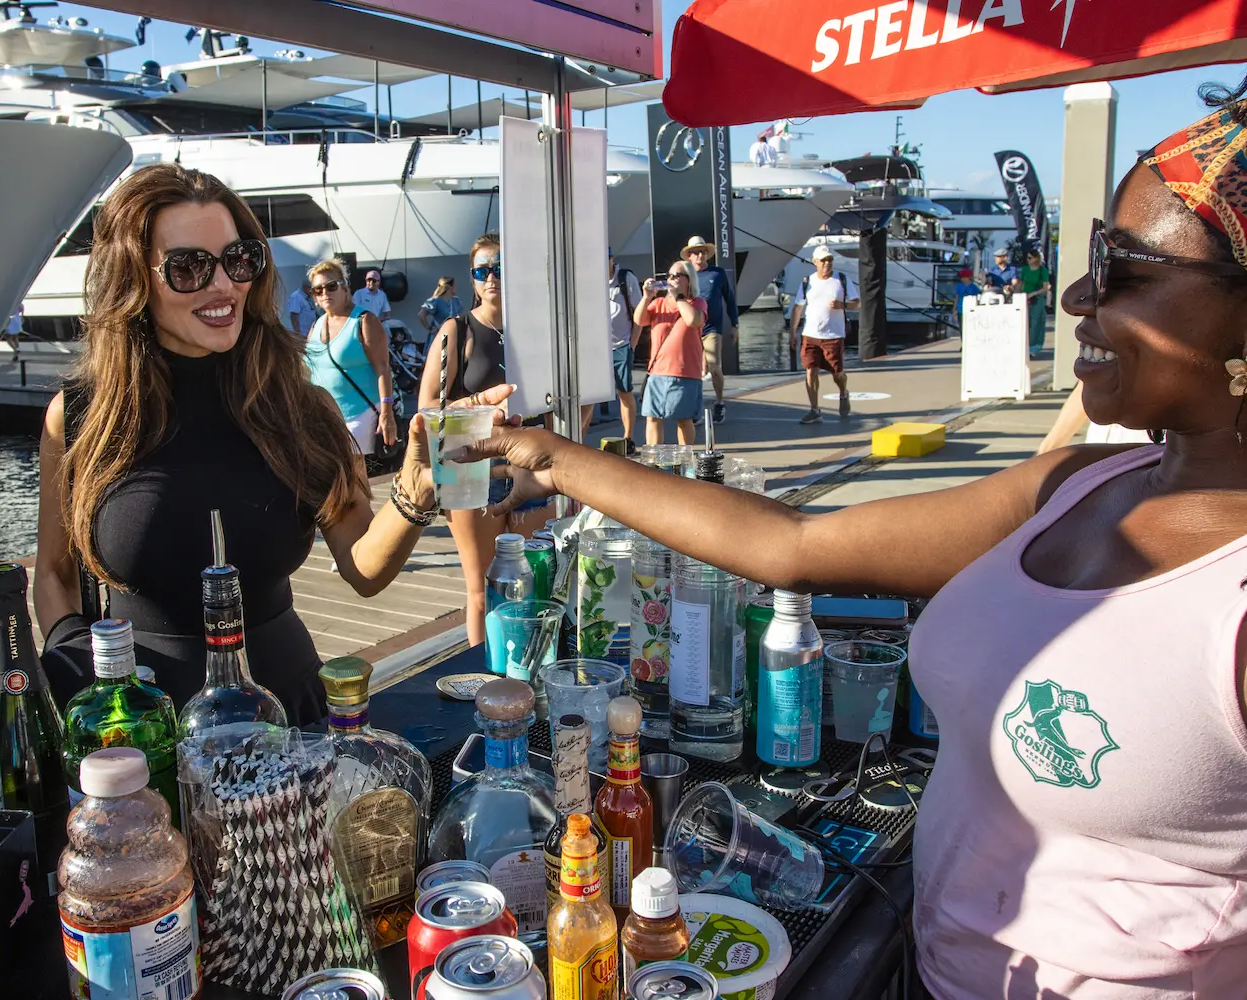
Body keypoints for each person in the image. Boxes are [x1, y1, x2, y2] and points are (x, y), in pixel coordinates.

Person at [457, 94, 1247, 999]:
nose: (1076, 294)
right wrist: (552, 459)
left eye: (1124, 268)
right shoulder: (1075, 483)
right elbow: (793, 545)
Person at [34, 165, 511, 724]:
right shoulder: (84, 415)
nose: (224, 286)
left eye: (239, 260)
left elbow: (364, 569)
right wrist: (76, 675)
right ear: (135, 279)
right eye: (189, 266)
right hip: (140, 733)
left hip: (289, 721)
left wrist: (418, 485)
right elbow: (56, 573)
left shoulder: (299, 408)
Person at [417, 232, 549, 647]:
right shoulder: (456, 330)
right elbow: (427, 405)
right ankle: (480, 684)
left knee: (530, 587)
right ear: (472, 279)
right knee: (481, 592)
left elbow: (566, 396)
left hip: (530, 461)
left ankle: (522, 679)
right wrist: (480, 405)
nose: (492, 277)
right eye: (482, 270)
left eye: (500, 268)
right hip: (470, 466)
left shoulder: (538, 330)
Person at [303, 258, 398, 459]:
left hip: (360, 414)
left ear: (345, 288)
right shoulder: (316, 325)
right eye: (318, 290)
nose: (325, 293)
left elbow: (383, 368)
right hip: (325, 418)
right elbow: (307, 370)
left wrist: (387, 414)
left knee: (352, 477)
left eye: (331, 286)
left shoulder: (364, 321)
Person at [636, 259, 706, 445]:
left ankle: (684, 463)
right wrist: (646, 297)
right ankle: (655, 464)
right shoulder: (659, 303)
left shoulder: (697, 302)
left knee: (684, 420)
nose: (671, 279)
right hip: (658, 371)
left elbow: (693, 320)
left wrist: (679, 297)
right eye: (669, 276)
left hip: (685, 372)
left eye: (676, 276)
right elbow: (639, 320)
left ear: (688, 279)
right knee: (652, 418)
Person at [789, 244, 859, 424]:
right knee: (810, 371)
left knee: (837, 373)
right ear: (815, 262)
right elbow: (798, 307)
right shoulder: (807, 282)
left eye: (830, 260)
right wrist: (793, 332)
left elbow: (857, 303)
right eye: (823, 260)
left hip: (833, 335)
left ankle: (843, 392)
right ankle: (814, 410)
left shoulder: (841, 280)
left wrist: (842, 305)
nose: (827, 263)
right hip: (810, 334)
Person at [581, 249, 643, 445]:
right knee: (589, 397)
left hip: (621, 345)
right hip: (596, 348)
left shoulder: (625, 278)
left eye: (605, 258)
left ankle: (628, 437)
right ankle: (579, 442)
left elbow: (639, 314)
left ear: (611, 259)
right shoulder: (590, 281)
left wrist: (631, 344)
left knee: (624, 392)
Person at [682, 236, 737, 424]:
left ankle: (720, 402)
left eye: (703, 252)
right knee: (694, 371)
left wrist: (735, 325)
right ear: (689, 256)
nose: (700, 255)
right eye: (696, 252)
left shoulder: (717, 273)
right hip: (691, 328)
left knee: (714, 366)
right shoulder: (686, 276)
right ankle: (696, 407)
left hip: (712, 328)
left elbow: (729, 299)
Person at [1020, 246, 1052, 359]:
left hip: (1037, 299)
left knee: (1035, 322)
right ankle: (1024, 345)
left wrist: (1033, 294)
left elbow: (1045, 287)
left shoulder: (1042, 271)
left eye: (1030, 258)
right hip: (1025, 297)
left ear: (1035, 259)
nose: (1028, 260)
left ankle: (1033, 347)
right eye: (1027, 258)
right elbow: (1021, 283)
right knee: (1025, 322)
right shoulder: (1025, 269)